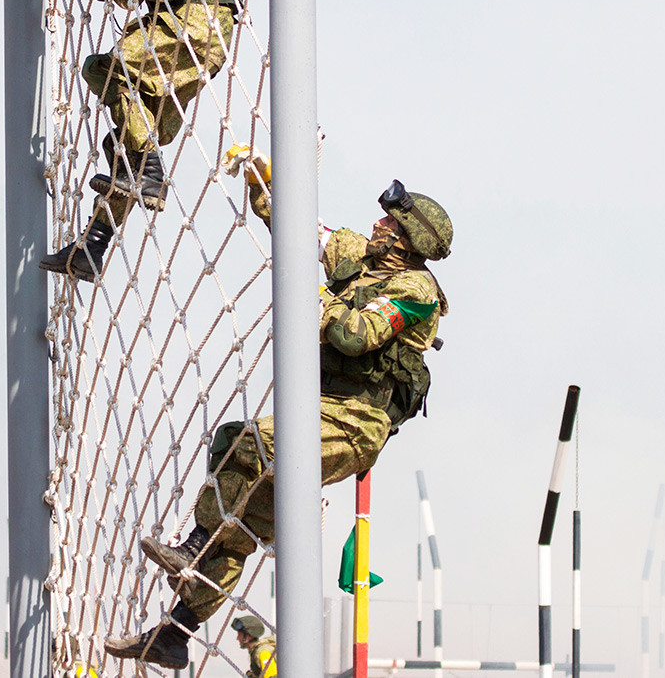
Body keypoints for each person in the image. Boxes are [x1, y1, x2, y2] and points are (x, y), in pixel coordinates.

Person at [104, 180, 453, 668]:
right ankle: (175, 633)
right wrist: (264, 186)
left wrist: (317, 299)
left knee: (249, 442)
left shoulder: (416, 292)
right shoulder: (359, 258)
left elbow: (355, 336)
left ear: (408, 240)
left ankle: (197, 547)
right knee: (241, 521)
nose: (379, 223)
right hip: (322, 406)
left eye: (391, 222)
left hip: (355, 421)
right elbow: (303, 231)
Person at [37, 0, 237, 283]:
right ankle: (94, 244)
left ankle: (149, 170)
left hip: (202, 22)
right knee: (125, 148)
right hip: (167, 23)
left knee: (110, 70)